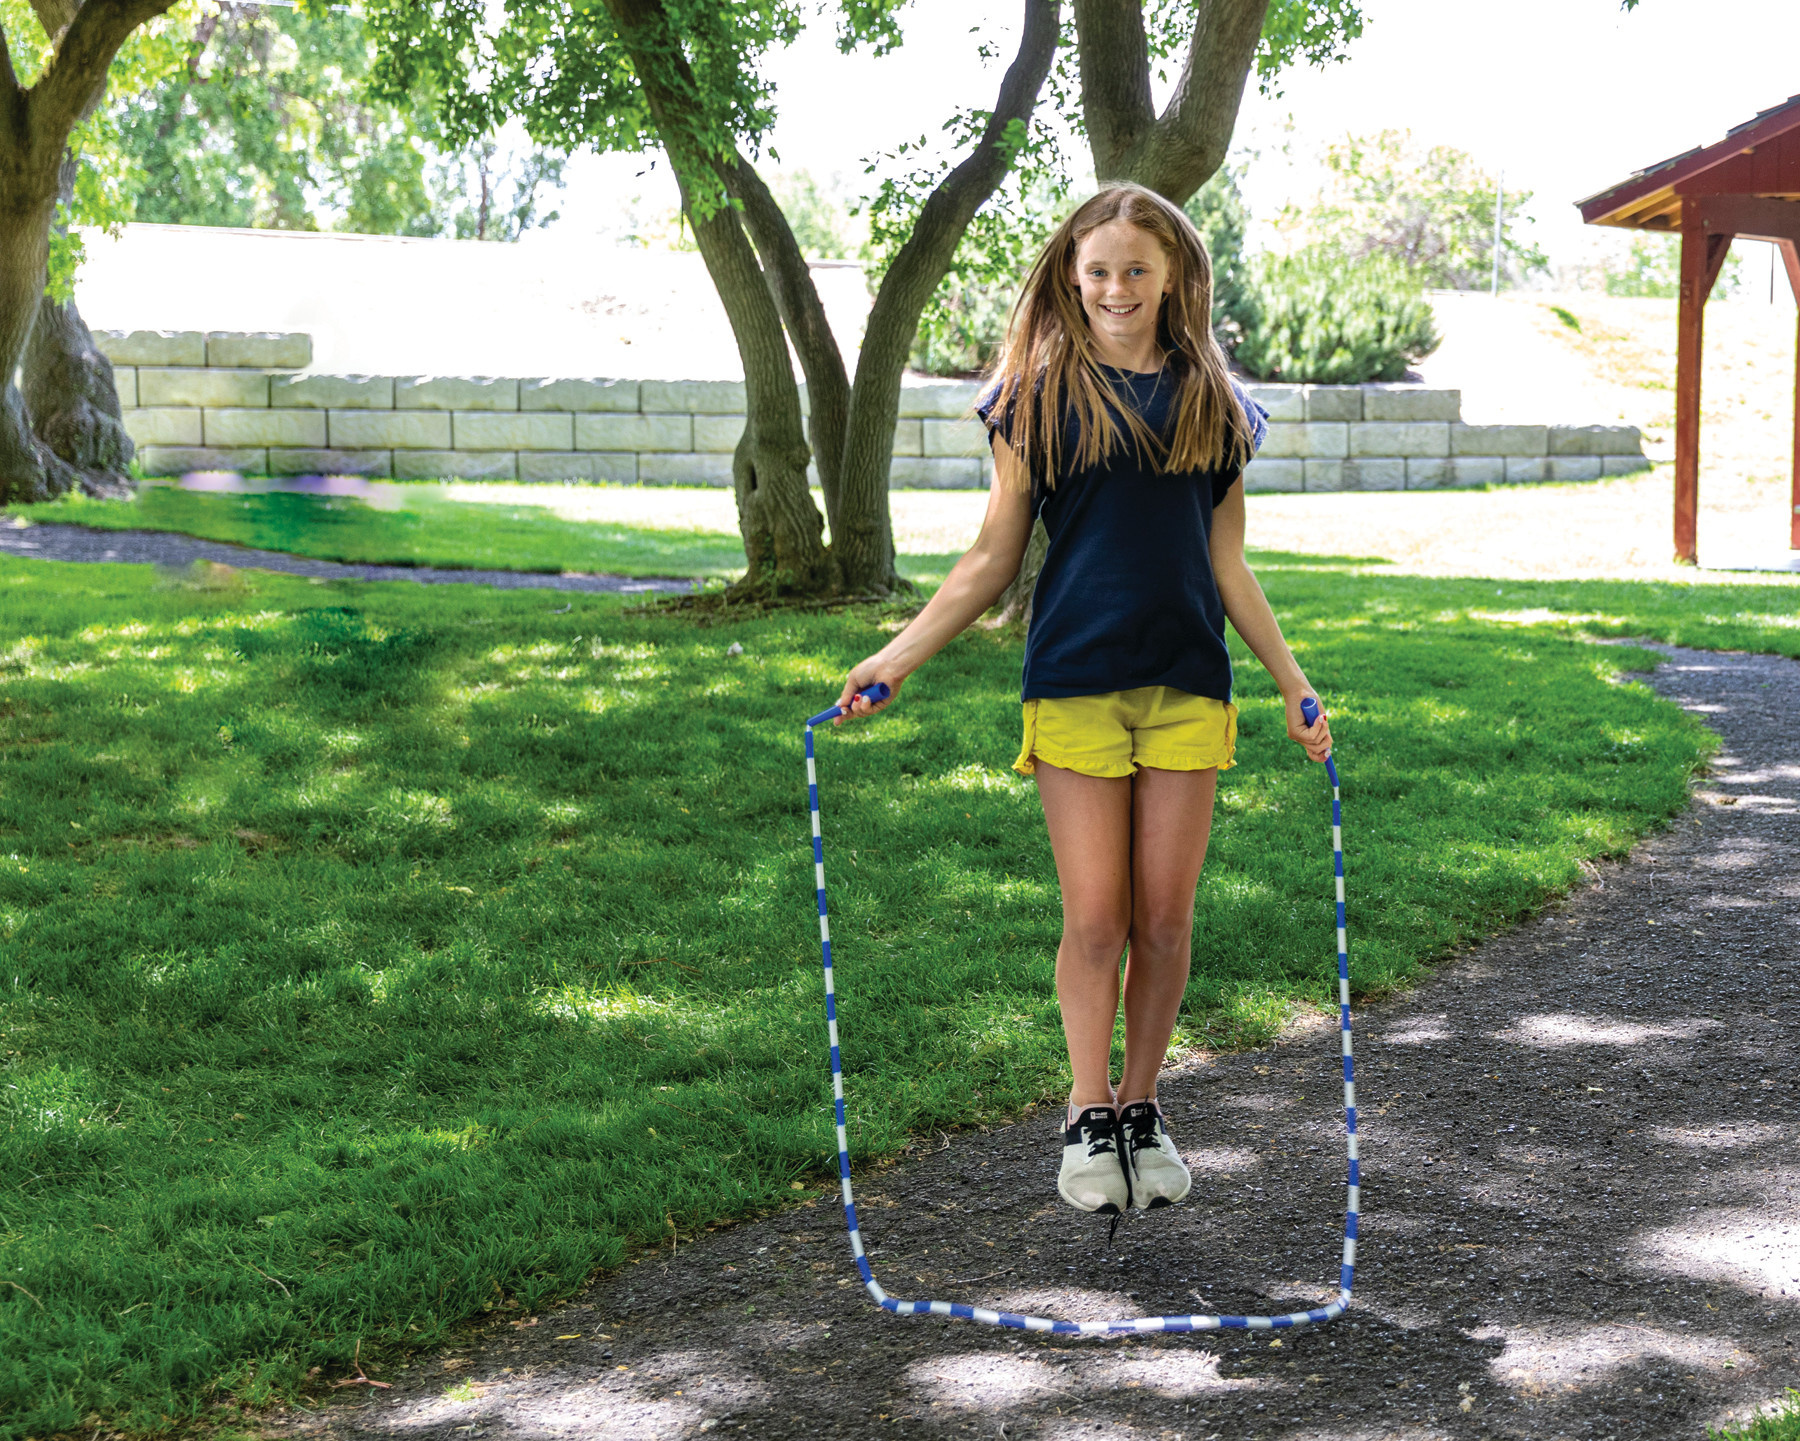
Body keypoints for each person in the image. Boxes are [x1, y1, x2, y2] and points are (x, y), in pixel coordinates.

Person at [831, 182, 1333, 1217]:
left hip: (1189, 683)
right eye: (1098, 270)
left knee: (1166, 917)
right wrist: (897, 656)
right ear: (1071, 273)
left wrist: (1293, 682)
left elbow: (1229, 565)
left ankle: (1144, 1106)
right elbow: (990, 557)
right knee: (1097, 918)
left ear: (1175, 277)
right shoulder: (1036, 396)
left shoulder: (1215, 402)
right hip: (1074, 684)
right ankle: (1087, 1109)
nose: (1115, 287)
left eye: (1137, 270)